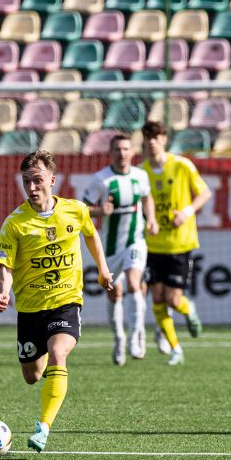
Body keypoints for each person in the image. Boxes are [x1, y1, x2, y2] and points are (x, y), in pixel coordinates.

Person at [0, 150, 113, 452]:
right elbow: (5, 265)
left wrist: (103, 270)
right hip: (31, 308)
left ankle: (43, 428)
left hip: (66, 301)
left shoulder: (75, 210)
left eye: (37, 181)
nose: (32, 188)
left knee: (59, 354)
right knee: (32, 376)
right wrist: (4, 290)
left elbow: (91, 235)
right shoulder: (15, 223)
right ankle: (47, 364)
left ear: (52, 180)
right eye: (26, 182)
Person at [140, 120, 213, 366]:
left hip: (180, 243)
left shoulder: (182, 165)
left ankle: (189, 310)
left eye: (155, 136)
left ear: (164, 139)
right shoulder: (141, 172)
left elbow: (204, 193)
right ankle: (175, 348)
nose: (151, 141)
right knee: (157, 298)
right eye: (147, 136)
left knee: (173, 299)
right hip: (152, 245)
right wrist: (148, 219)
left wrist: (187, 211)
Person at [84, 134, 159, 365]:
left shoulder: (140, 176)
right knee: (114, 293)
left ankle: (136, 336)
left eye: (126, 149)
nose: (122, 153)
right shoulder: (101, 179)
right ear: (111, 152)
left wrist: (152, 219)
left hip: (135, 241)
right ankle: (119, 338)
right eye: (117, 149)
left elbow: (147, 199)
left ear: (132, 152)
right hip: (110, 245)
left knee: (135, 283)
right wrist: (99, 212)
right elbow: (82, 209)